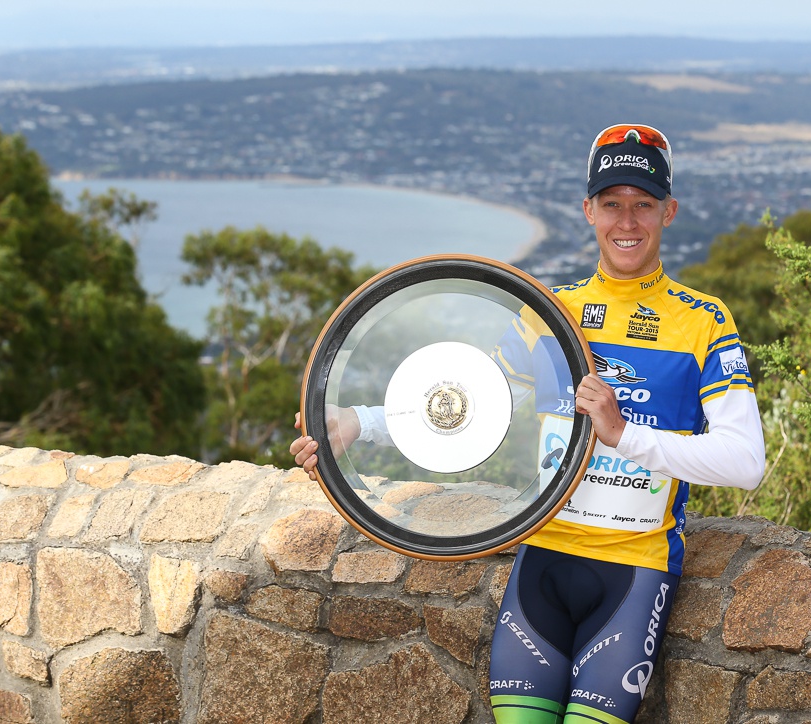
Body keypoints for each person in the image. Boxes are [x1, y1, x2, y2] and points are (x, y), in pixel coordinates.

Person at [290, 123, 765, 723]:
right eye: (612, 204)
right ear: (587, 208)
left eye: (643, 205)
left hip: (633, 572)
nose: (627, 221)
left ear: (668, 212)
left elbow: (746, 462)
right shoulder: (551, 312)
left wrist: (623, 435)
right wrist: (356, 424)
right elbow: (471, 403)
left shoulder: (702, 321)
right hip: (540, 557)